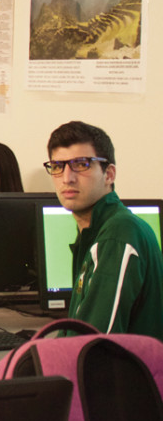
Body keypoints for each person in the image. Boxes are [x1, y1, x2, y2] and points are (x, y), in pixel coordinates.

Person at [45, 121, 163, 339]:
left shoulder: (119, 234)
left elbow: (95, 345)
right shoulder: (95, 230)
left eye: (81, 164)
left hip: (129, 372)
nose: (67, 178)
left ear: (109, 174)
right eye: (57, 166)